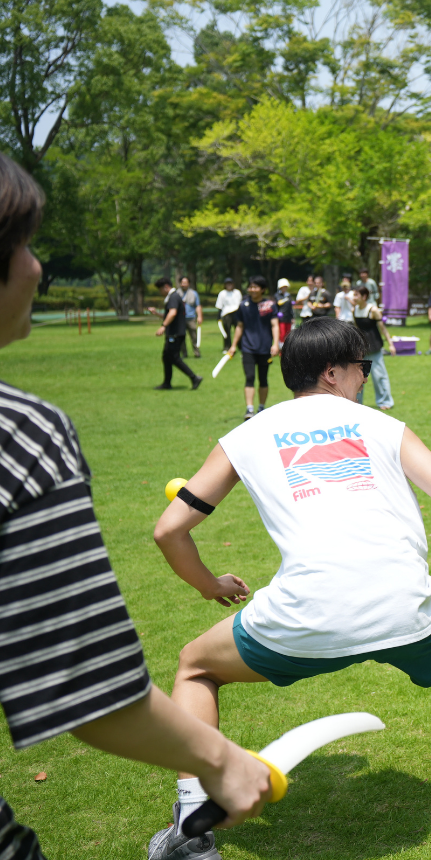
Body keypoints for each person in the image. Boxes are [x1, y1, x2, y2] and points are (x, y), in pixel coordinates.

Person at [148, 318, 431, 849]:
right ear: (332, 373)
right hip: (402, 606)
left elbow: (170, 530)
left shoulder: (245, 436)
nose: (365, 377)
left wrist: (209, 585)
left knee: (196, 667)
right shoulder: (381, 425)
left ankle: (192, 819)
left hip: (305, 613)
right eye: (361, 367)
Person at [0, 152, 271, 860]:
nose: (35, 269)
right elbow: (88, 687)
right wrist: (220, 761)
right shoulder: (21, 437)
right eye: (24, 245)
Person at [228, 275, 281, 422]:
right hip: (247, 348)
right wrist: (233, 346)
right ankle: (250, 409)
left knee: (263, 378)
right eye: (250, 286)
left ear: (262, 289)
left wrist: (275, 343)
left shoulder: (269, 305)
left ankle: (261, 408)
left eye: (255, 287)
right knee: (249, 377)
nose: (252, 289)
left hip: (265, 348)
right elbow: (239, 326)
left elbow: (275, 325)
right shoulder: (243, 305)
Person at [153, 276, 202, 391]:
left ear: (166, 287)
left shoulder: (173, 297)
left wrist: (163, 326)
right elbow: (168, 315)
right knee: (166, 357)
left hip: (175, 333)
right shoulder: (174, 296)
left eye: (160, 290)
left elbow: (173, 313)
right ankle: (167, 383)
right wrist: (156, 313)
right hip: (174, 332)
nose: (160, 293)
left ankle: (194, 378)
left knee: (174, 358)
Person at [353, 285, 396, 410]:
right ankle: (356, 403)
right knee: (358, 377)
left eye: (356, 295)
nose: (354, 297)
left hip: (374, 347)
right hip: (360, 348)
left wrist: (391, 344)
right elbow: (357, 329)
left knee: (379, 376)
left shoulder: (373, 310)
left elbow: (383, 329)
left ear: (364, 296)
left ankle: (385, 401)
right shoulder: (354, 309)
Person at [215, 278, 241, 353]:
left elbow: (239, 303)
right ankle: (227, 347)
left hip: (236, 312)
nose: (229, 285)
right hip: (226, 314)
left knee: (238, 330)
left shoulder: (237, 292)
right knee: (226, 332)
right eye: (227, 284)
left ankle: (240, 347)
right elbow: (220, 306)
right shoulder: (222, 293)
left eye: (230, 283)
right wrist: (218, 316)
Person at [179, 276, 203, 359]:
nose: (184, 284)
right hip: (180, 319)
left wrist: (199, 316)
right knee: (181, 337)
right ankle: (184, 353)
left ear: (188, 283)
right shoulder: (177, 293)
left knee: (194, 337)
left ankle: (197, 352)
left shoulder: (194, 293)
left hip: (191, 318)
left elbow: (198, 306)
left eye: (185, 283)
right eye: (182, 283)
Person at [275, 278, 294, 342]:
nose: (284, 288)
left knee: (288, 334)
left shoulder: (288, 295)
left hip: (288, 318)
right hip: (281, 318)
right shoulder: (277, 295)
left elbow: (290, 307)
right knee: (282, 334)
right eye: (283, 287)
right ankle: (281, 349)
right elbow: (278, 303)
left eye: (285, 287)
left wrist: (292, 317)